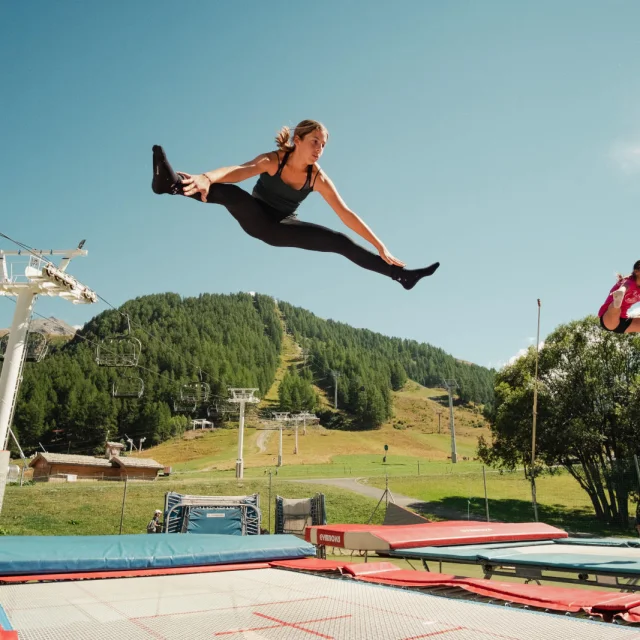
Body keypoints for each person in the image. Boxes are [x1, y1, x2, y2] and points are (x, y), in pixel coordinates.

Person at [151, 119, 439, 290]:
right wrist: (205, 177)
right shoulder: (275, 159)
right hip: (256, 216)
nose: (319, 149)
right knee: (231, 193)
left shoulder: (318, 178)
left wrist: (381, 246)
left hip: (282, 228)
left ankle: (401, 276)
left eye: (323, 145)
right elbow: (238, 171)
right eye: (315, 141)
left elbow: (345, 214)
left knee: (340, 241)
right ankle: (172, 185)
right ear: (298, 140)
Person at [598, 260, 640, 334]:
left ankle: (617, 303)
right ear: (636, 272)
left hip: (624, 322)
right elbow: (624, 287)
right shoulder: (629, 281)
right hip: (609, 319)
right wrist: (621, 292)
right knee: (616, 308)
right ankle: (617, 302)